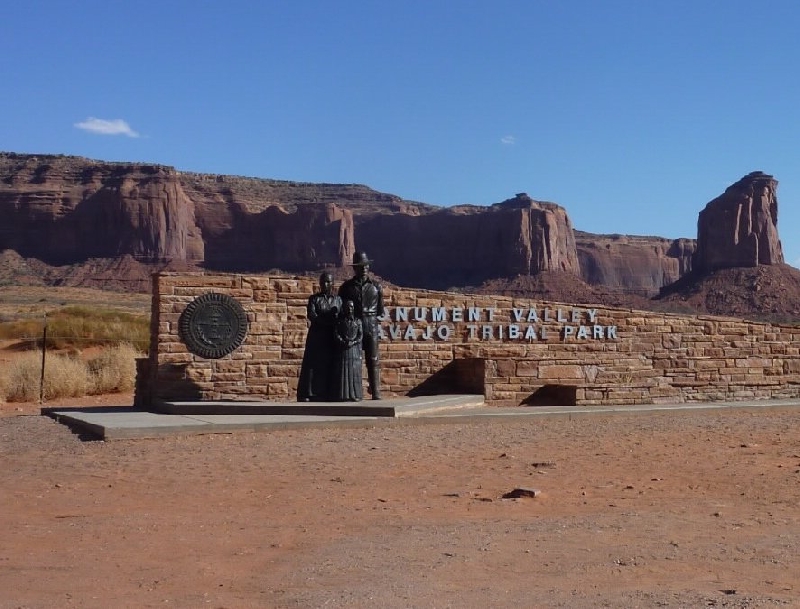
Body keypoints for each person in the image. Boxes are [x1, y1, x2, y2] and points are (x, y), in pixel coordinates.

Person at [338, 251, 384, 399]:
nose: (364, 268)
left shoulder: (377, 287)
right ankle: (356, 392)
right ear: (355, 268)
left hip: (371, 324)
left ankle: (376, 391)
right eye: (360, 266)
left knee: (373, 358)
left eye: (366, 265)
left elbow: (380, 310)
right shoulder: (346, 287)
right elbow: (341, 308)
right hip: (354, 325)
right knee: (355, 358)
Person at [296, 272, 341, 401]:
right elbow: (312, 315)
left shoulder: (338, 300)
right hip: (317, 336)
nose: (324, 284)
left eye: (327, 282)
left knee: (329, 364)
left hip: (332, 337)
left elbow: (341, 315)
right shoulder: (314, 299)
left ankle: (328, 392)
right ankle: (309, 393)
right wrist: (328, 321)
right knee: (313, 365)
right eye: (322, 282)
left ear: (332, 284)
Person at [332, 300, 363, 402]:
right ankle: (343, 395)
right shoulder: (340, 322)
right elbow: (336, 334)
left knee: (354, 372)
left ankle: (355, 394)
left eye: (351, 307)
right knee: (344, 372)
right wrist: (343, 341)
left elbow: (360, 335)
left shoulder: (358, 321)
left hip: (354, 350)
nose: (349, 309)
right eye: (347, 307)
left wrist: (353, 342)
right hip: (343, 350)